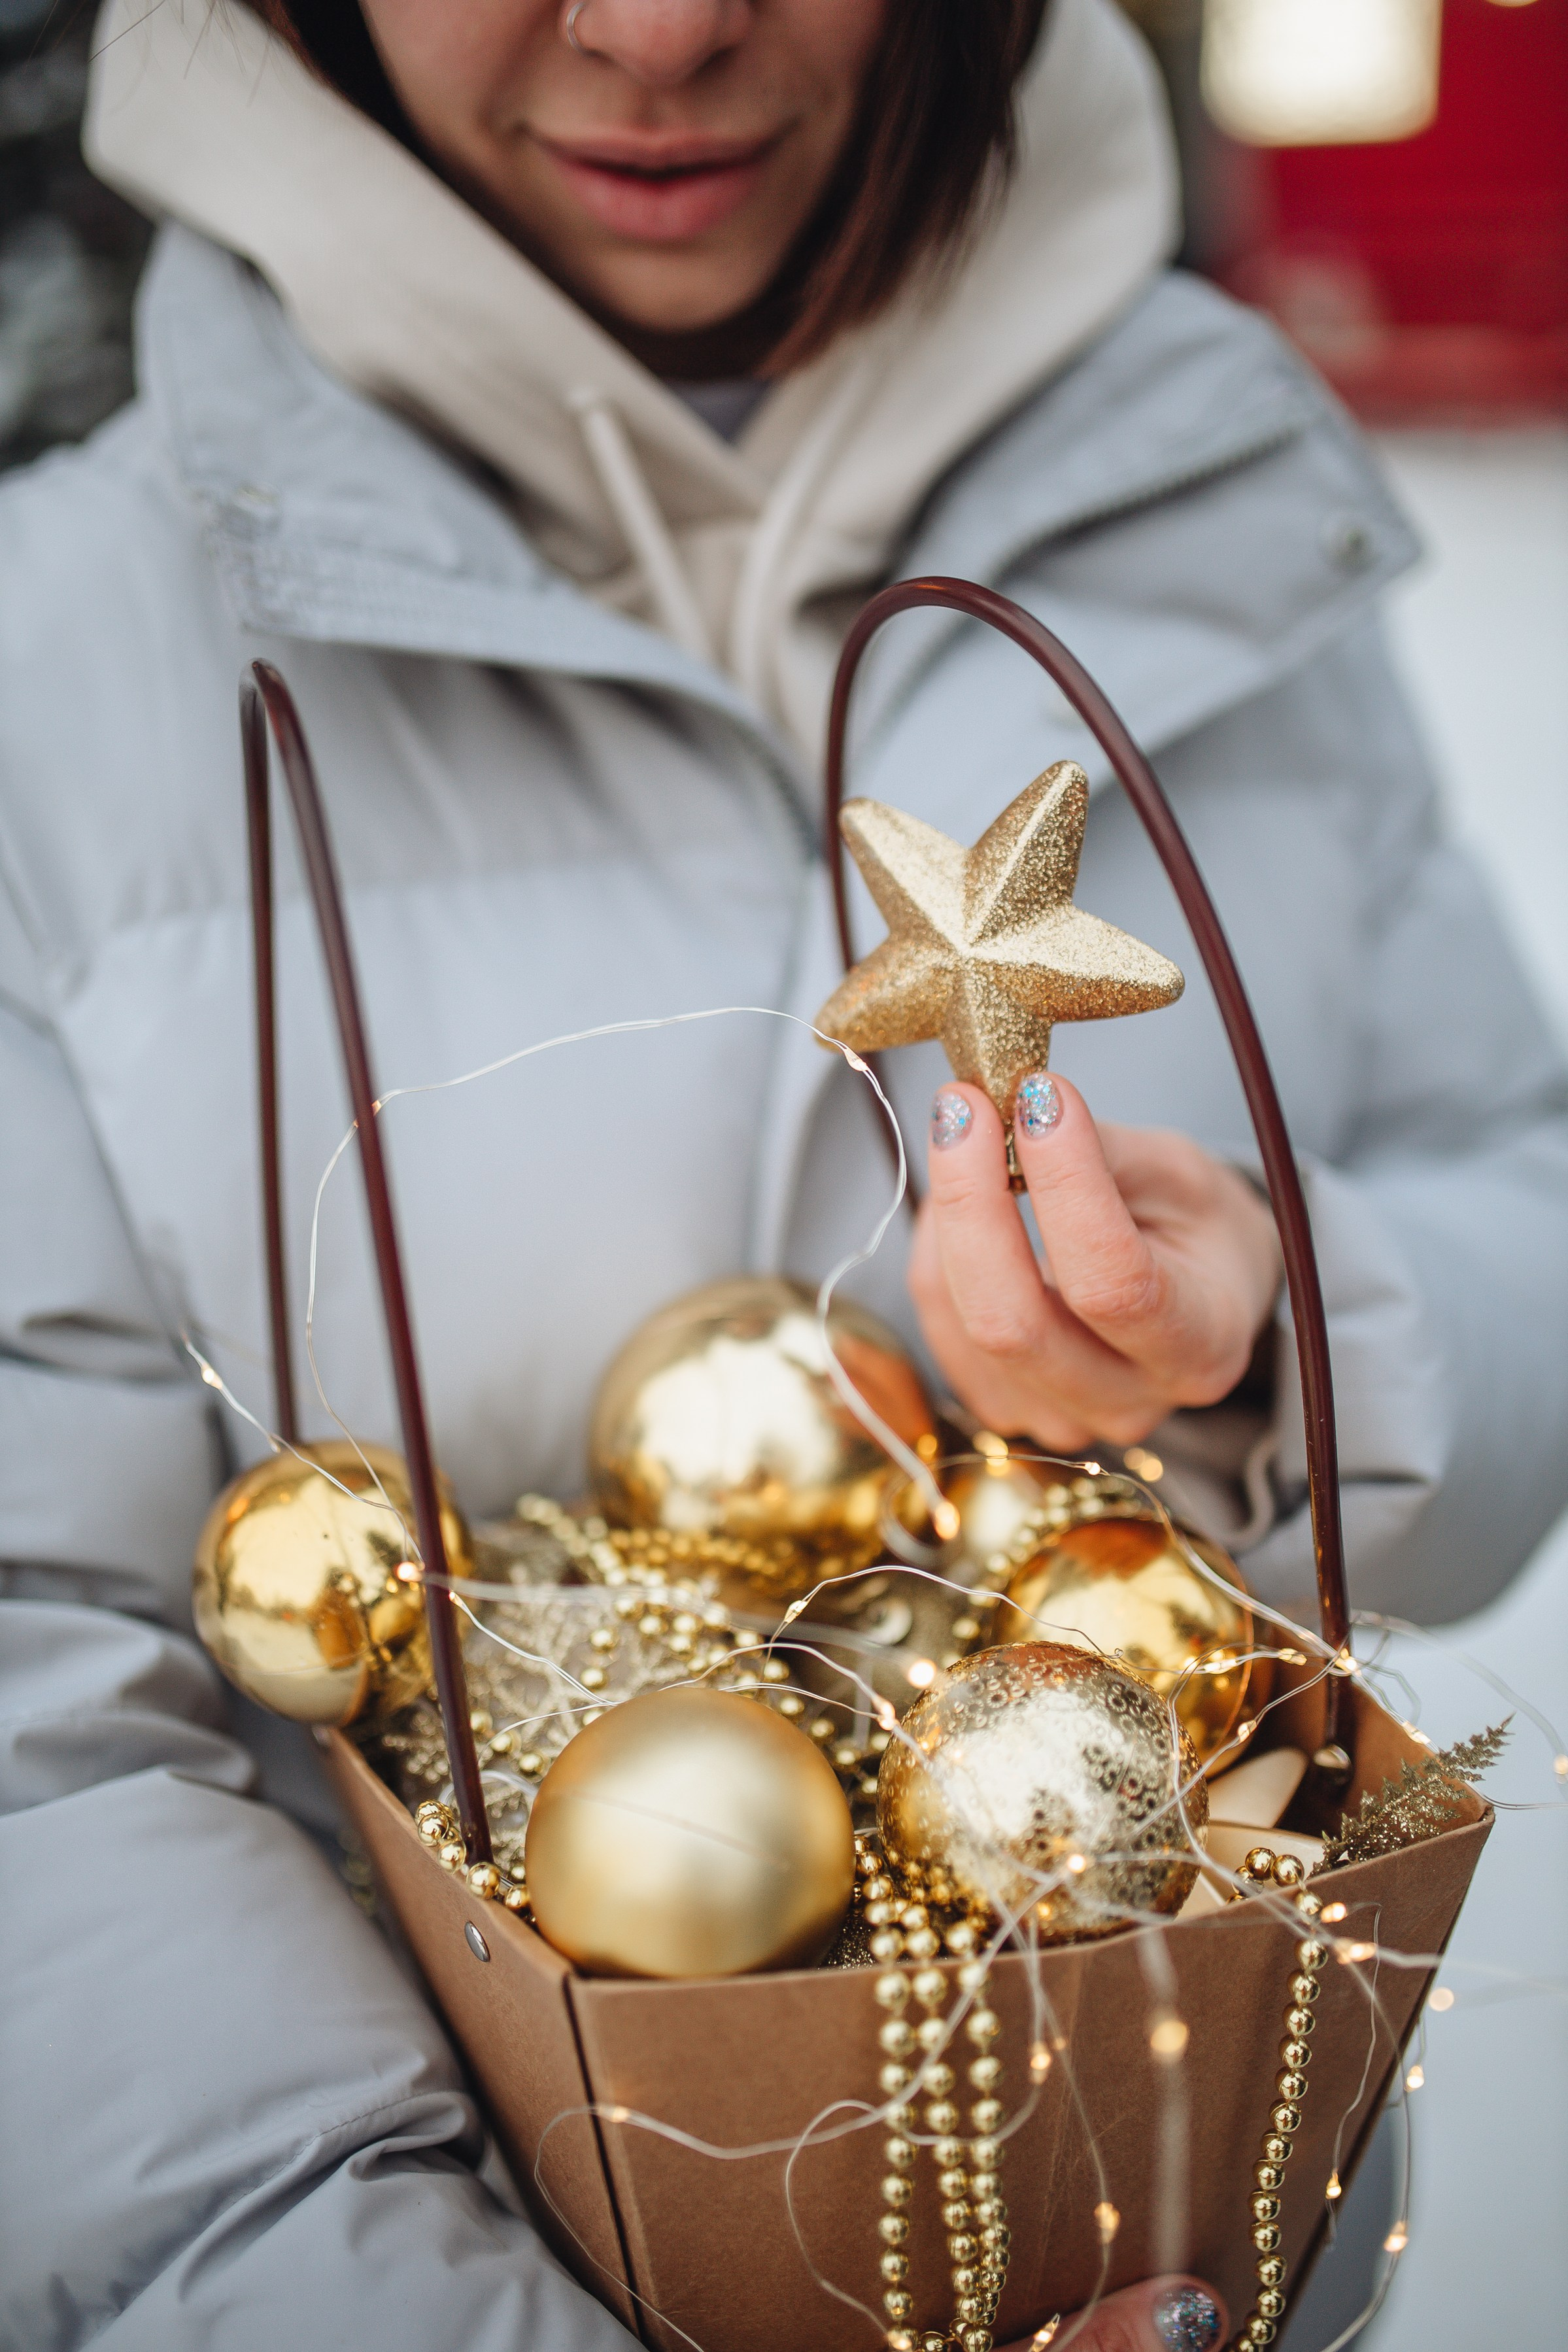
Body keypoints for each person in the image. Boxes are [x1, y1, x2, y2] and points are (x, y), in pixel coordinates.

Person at [1, 0, 1564, 2344]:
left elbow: (1510, 1197)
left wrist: (1292, 1331)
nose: (659, 27)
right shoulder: (63, 654)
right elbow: (40, 1723)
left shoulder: (1206, 486)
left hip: (1169, 2236)